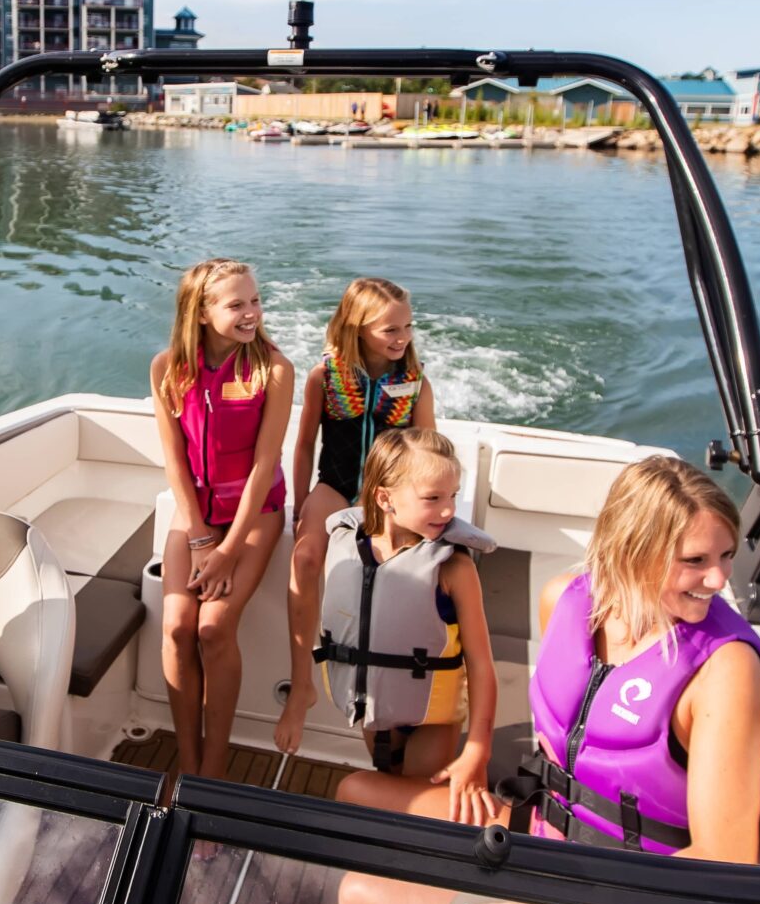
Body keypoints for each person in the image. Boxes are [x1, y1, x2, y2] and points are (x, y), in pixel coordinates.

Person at [306, 455, 760, 904]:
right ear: (629, 551)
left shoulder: (723, 671)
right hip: (542, 838)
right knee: (355, 798)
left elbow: (728, 865)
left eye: (725, 557)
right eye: (695, 561)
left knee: (360, 897)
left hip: (621, 897)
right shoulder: (567, 599)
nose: (719, 580)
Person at [299, 430, 500, 824]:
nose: (448, 510)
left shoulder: (453, 567)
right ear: (384, 498)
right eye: (433, 498)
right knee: (388, 791)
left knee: (414, 810)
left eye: (453, 496)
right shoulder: (345, 546)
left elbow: (480, 664)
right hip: (374, 709)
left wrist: (478, 749)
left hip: (433, 720)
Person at [278, 277, 436, 754]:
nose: (402, 337)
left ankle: (390, 695)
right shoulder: (323, 377)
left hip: (389, 494)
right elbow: (304, 444)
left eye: (407, 327)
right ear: (357, 328)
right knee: (305, 558)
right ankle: (301, 682)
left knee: (395, 575)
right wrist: (302, 501)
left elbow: (427, 454)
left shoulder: (416, 383)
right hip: (335, 485)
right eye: (390, 329)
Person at [151, 259, 293, 786]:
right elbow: (174, 461)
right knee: (176, 626)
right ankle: (186, 762)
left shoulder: (274, 370)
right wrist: (200, 539)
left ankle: (213, 771)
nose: (252, 312)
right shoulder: (167, 367)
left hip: (255, 516)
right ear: (201, 312)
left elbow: (264, 465)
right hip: (195, 515)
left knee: (212, 628)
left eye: (255, 300)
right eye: (237, 304)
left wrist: (228, 550)